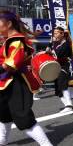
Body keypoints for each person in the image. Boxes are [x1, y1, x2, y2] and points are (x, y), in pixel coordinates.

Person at [0, 10, 52, 146]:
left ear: (9, 24)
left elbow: (11, 64)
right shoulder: (7, 40)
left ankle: (46, 144)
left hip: (16, 83)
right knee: (3, 113)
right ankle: (2, 139)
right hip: (4, 83)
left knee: (22, 117)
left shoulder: (16, 41)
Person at [47, 27, 73, 113]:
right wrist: (49, 46)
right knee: (58, 90)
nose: (55, 35)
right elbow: (51, 50)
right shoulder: (57, 44)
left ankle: (69, 105)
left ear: (62, 34)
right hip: (57, 68)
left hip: (64, 67)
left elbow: (58, 56)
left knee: (62, 85)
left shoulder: (66, 44)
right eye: (54, 33)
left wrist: (50, 52)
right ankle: (68, 105)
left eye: (57, 33)